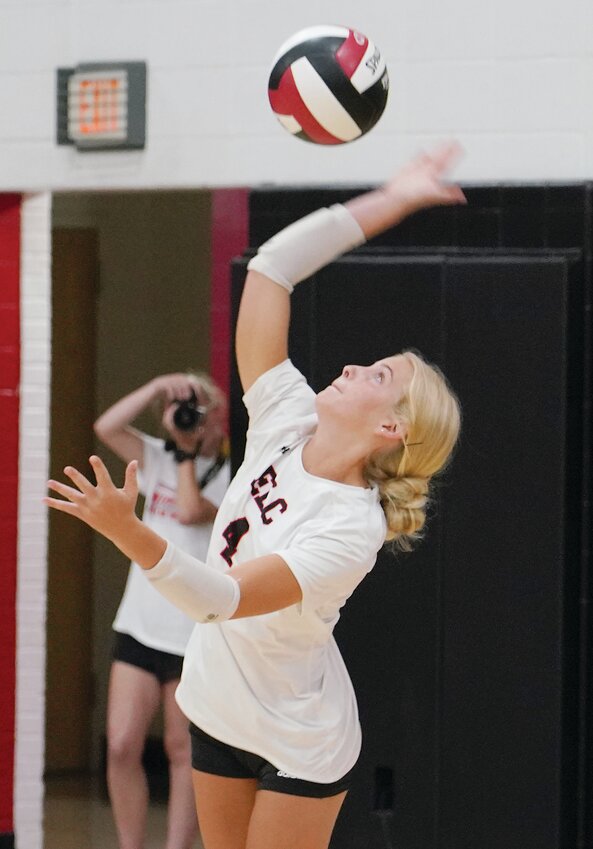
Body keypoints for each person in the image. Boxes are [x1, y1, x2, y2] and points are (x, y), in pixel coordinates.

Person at [46, 143, 465, 849]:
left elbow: (219, 597)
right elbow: (271, 268)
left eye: (376, 374)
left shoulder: (348, 528)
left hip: (299, 736)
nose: (353, 365)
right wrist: (392, 198)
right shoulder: (287, 415)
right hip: (218, 702)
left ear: (390, 426)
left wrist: (128, 530)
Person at [93, 372, 230, 849]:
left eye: (207, 411)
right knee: (121, 744)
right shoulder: (156, 457)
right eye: (190, 409)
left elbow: (191, 510)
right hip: (140, 625)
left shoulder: (235, 476)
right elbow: (106, 427)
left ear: (220, 420)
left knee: (179, 750)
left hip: (191, 634)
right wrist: (155, 388)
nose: (199, 420)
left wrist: (188, 453)